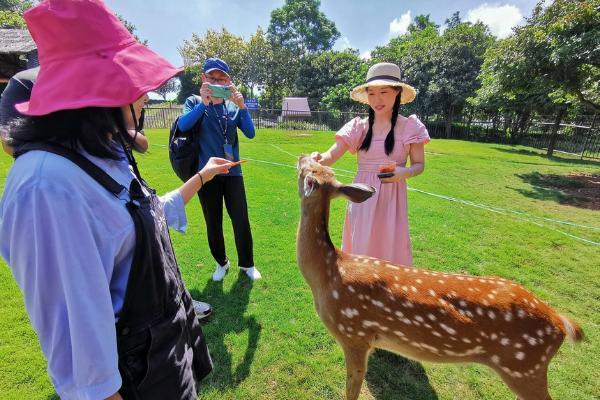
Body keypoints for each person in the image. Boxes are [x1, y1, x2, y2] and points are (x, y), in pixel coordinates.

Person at [0, 1, 239, 398]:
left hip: (163, 362)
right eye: (132, 80)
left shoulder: (101, 152)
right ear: (98, 89)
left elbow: (137, 225)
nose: (145, 94)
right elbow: (86, 370)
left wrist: (201, 177)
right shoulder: (47, 187)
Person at [311, 62, 430, 266]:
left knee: (390, 251)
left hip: (392, 200)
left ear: (397, 92)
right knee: (361, 249)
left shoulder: (409, 126)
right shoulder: (359, 127)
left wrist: (403, 173)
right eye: (372, 93)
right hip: (362, 197)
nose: (377, 99)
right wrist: (318, 159)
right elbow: (332, 154)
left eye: (384, 92)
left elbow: (419, 165)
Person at [178, 57, 261, 281]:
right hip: (207, 174)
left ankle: (247, 264)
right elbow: (183, 125)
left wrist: (242, 106)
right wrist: (204, 104)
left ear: (228, 81)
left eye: (221, 78)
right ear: (203, 78)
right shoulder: (194, 102)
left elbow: (251, 133)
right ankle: (221, 262)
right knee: (213, 221)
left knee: (240, 219)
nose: (216, 81)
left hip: (233, 171)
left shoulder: (233, 106)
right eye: (211, 77)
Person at [0, 67, 150, 156]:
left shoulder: (97, 77)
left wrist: (107, 131)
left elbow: (142, 143)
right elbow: (10, 144)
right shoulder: (26, 81)